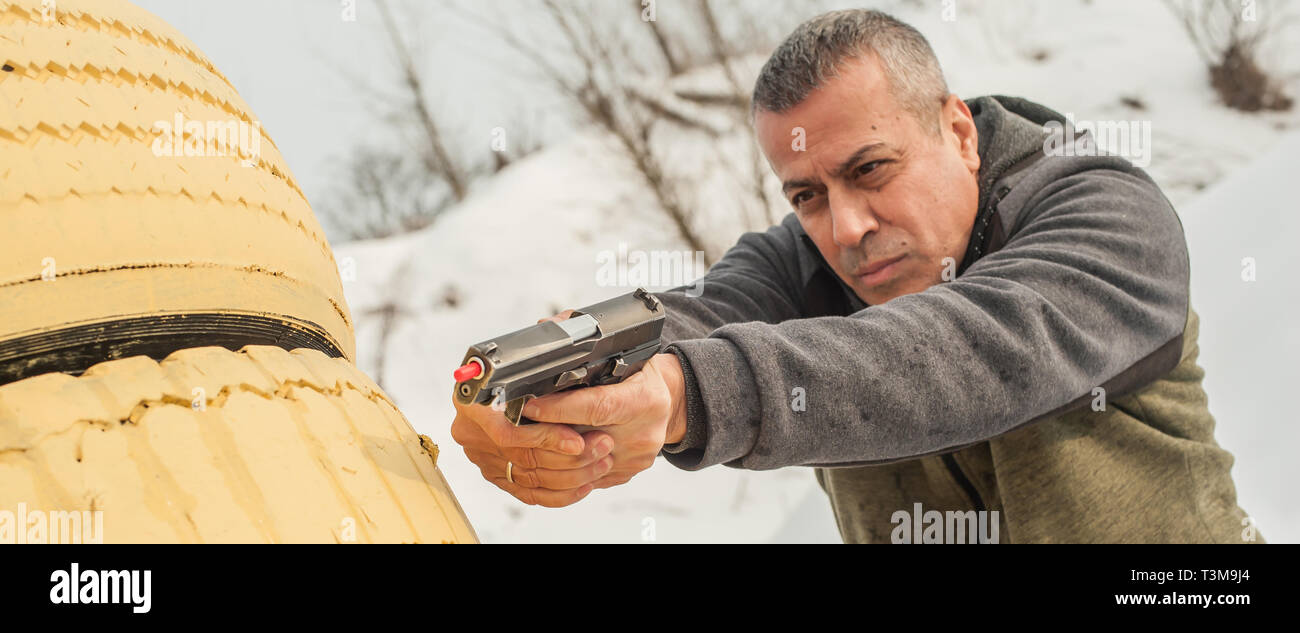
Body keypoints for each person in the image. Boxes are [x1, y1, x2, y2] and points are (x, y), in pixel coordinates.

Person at [450, 9, 1260, 543]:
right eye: (807, 194)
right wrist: (573, 385)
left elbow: (964, 354)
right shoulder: (794, 265)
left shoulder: (1109, 219)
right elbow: (690, 323)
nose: (846, 228)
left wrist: (686, 395)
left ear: (959, 131)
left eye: (871, 169)